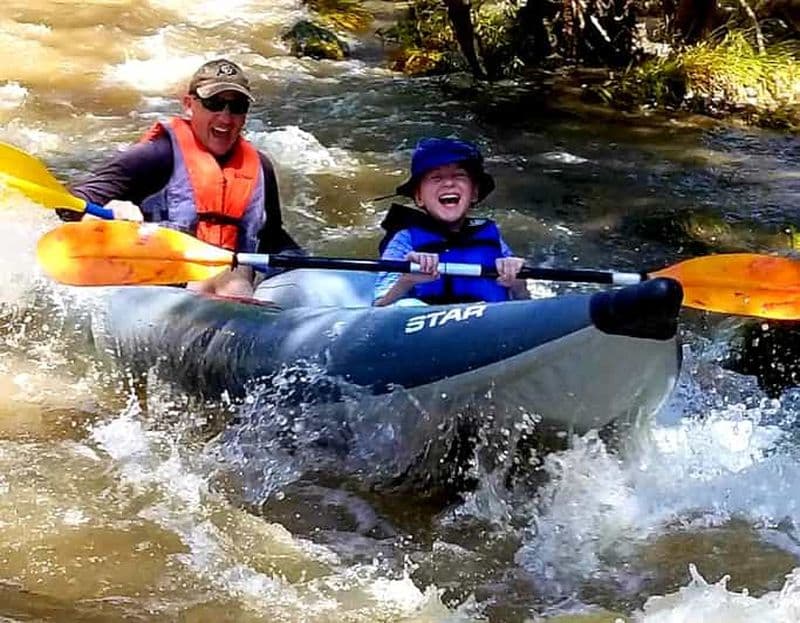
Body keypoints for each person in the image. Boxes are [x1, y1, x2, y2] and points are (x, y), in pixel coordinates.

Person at [57, 58, 301, 297]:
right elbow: (69, 204)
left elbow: (271, 237)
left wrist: (303, 265)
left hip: (233, 290)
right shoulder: (156, 156)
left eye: (237, 107)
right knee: (225, 279)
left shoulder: (260, 168)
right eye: (214, 103)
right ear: (189, 104)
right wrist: (111, 210)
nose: (226, 118)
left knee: (232, 278)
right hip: (163, 291)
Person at [373, 137, 529, 306]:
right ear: (419, 197)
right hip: (427, 324)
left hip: (488, 322)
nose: (448, 183)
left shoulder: (491, 238)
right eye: (436, 177)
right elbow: (379, 308)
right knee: (407, 305)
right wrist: (407, 281)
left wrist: (518, 285)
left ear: (474, 193)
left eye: (459, 175)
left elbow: (524, 304)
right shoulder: (404, 240)